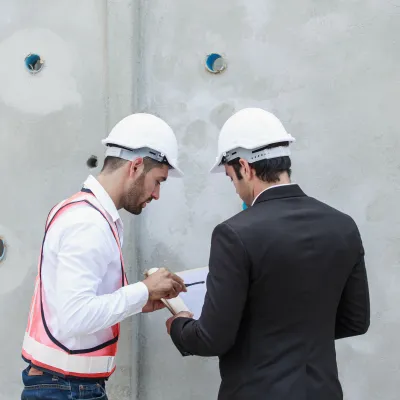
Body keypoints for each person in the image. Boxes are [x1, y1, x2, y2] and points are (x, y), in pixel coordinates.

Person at [166, 108, 370, 400]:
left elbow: (212, 339)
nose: (236, 189)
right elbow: (355, 321)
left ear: (245, 168)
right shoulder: (343, 225)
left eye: (231, 178)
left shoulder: (233, 234)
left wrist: (179, 324)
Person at [20, 113, 187, 400]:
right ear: (135, 166)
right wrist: (142, 290)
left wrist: (140, 301)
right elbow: (76, 317)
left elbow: (76, 307)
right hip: (67, 389)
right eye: (157, 181)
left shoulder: (86, 212)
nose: (157, 194)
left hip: (64, 386)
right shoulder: (88, 223)